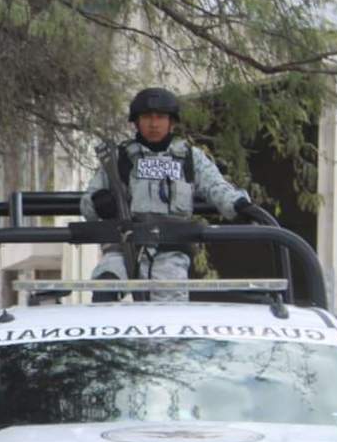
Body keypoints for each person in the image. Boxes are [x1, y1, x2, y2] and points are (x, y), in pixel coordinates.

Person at [81, 86, 260, 300]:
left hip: (170, 251)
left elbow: (217, 187)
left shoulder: (190, 158)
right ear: (136, 121)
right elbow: (87, 204)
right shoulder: (118, 159)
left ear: (171, 121)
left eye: (160, 117)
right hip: (123, 248)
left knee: (169, 308)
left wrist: (239, 205)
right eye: (147, 117)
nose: (154, 123)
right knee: (104, 288)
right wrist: (98, 202)